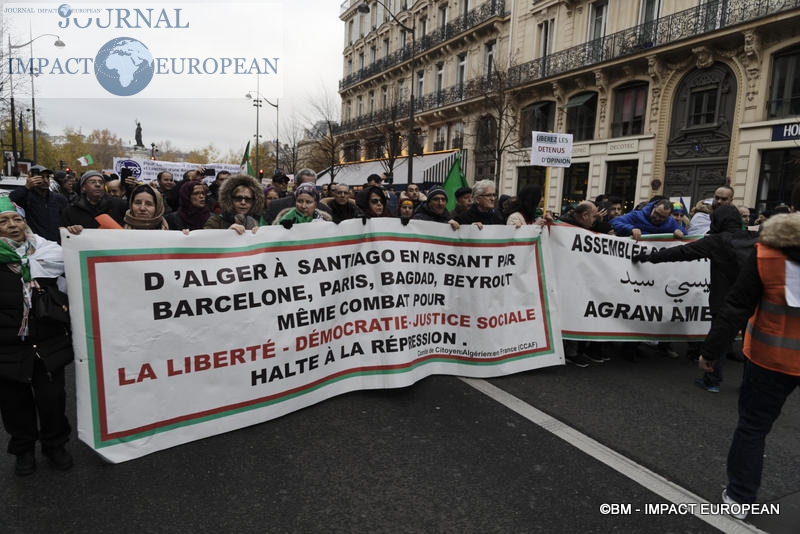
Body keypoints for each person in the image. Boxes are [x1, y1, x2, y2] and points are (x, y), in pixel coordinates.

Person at [698, 183, 800, 519]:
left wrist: (711, 354)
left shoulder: (768, 252)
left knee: (753, 428)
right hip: (771, 359)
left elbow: (736, 307)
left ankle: (740, 497)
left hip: (770, 359)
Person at [633, 204, 755, 391]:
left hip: (725, 301)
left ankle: (712, 381)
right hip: (753, 301)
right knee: (752, 344)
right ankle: (750, 384)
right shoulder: (756, 240)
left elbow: (681, 253)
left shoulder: (717, 241)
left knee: (720, 340)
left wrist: (648, 258)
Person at [0, 196, 74, 476]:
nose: (12, 225)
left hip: (47, 343)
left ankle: (55, 445)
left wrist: (77, 237)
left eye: (17, 219)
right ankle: (24, 450)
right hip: (7, 348)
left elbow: (76, 271)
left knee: (53, 399)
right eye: (4, 221)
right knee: (14, 404)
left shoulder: (49, 254)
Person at [9, 170, 68, 243]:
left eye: (47, 177)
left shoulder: (59, 198)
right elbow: (11, 199)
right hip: (36, 244)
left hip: (57, 244)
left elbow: (67, 219)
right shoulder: (26, 198)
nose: (46, 180)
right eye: (42, 177)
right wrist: (26, 187)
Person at [60, 170, 127, 234]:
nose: (98, 184)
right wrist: (71, 229)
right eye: (92, 182)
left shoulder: (118, 205)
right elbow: (64, 233)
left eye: (101, 182)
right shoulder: (71, 210)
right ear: (83, 187)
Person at [610, 198, 685, 240]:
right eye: (657, 213)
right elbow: (613, 222)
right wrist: (631, 229)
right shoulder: (637, 215)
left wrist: (679, 232)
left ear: (669, 216)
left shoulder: (671, 222)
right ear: (654, 207)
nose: (657, 218)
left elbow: (685, 234)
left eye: (662, 217)